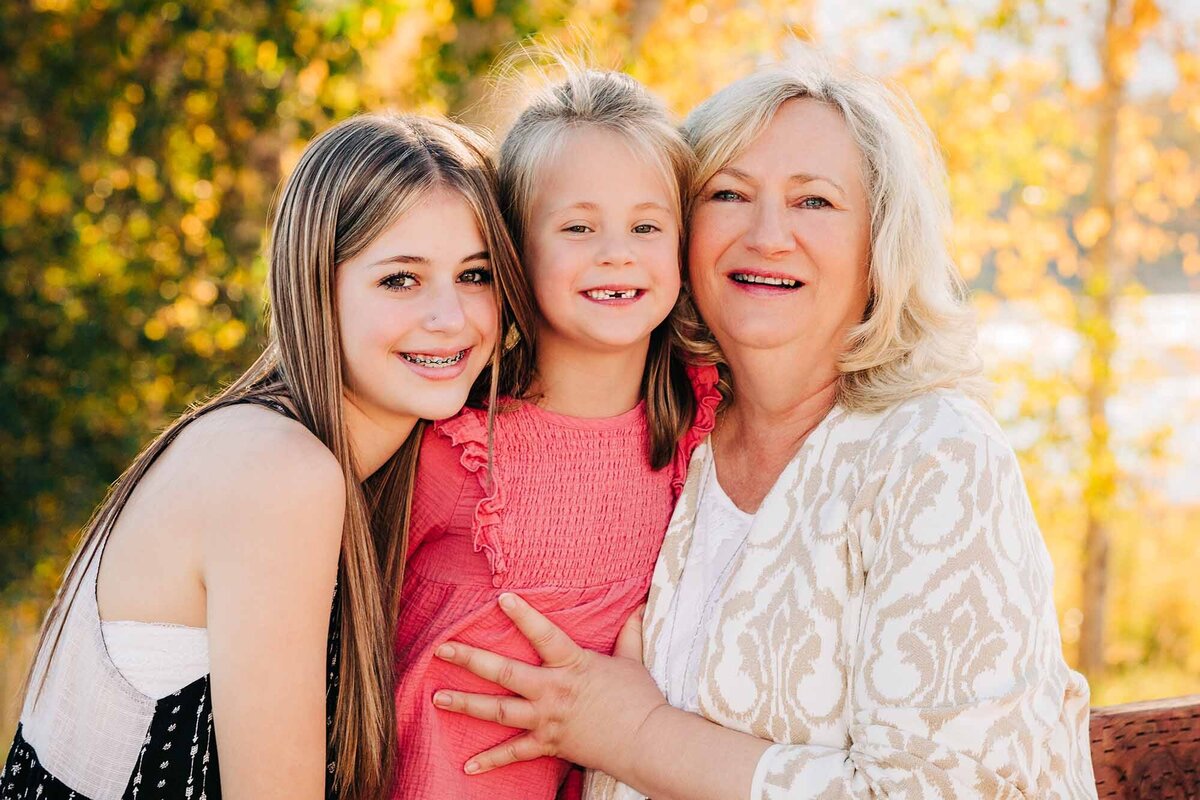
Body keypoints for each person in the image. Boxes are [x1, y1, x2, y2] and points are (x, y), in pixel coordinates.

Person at [430, 49, 1099, 799]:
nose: (767, 234)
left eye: (814, 201)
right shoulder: (675, 436)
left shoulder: (934, 455)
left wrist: (635, 734)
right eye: (729, 194)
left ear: (880, 243)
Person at [1, 112, 524, 800]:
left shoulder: (306, 454)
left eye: (477, 274)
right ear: (316, 285)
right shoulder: (278, 471)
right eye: (401, 279)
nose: (451, 317)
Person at [390, 67, 720, 799]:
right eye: (577, 227)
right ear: (515, 248)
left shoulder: (701, 433)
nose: (616, 252)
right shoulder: (456, 446)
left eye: (646, 226)